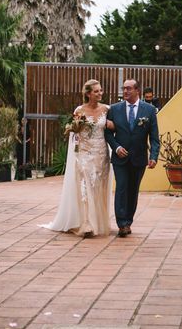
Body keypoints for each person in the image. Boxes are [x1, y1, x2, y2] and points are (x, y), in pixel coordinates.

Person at [41, 80, 112, 237]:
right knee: (85, 186)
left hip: (101, 153)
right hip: (84, 154)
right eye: (96, 91)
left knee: (98, 187)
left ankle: (98, 221)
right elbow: (75, 132)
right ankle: (86, 222)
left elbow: (113, 127)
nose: (100, 93)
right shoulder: (79, 110)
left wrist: (111, 125)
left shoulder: (107, 109)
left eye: (101, 91)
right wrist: (75, 129)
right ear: (88, 94)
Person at [105, 79, 160, 237]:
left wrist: (154, 156)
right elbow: (107, 133)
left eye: (129, 88)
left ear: (137, 91)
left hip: (139, 158)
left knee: (133, 190)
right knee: (121, 188)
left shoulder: (149, 110)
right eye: (124, 88)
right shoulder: (114, 109)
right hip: (120, 158)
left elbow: (154, 137)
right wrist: (116, 147)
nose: (126, 91)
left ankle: (128, 220)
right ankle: (122, 224)